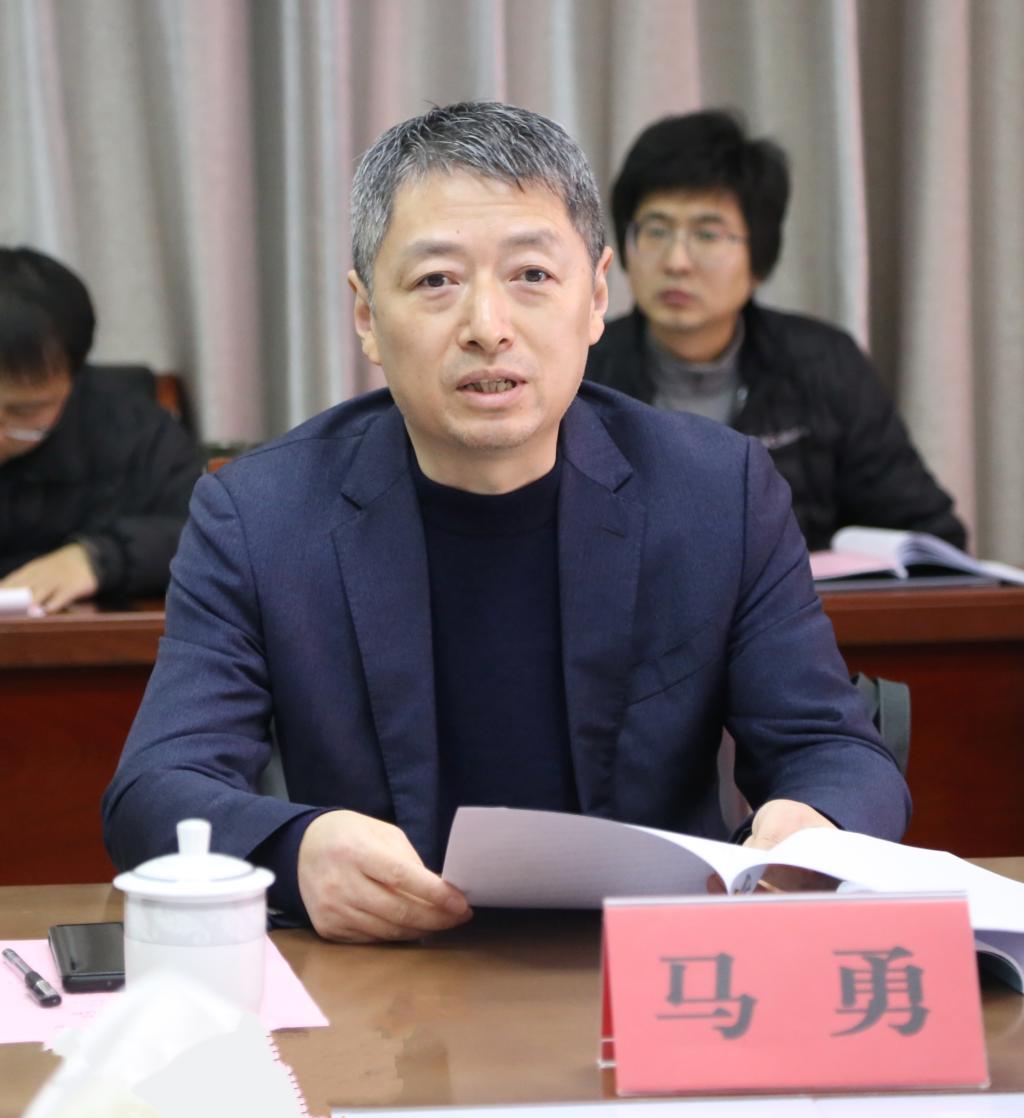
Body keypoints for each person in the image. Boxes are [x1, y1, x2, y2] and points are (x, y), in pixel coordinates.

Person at [102, 102, 910, 945]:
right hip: (386, 975)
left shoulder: (717, 494)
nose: (487, 328)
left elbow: (839, 752)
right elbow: (154, 789)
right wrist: (295, 850)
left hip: (652, 964)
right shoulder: (260, 515)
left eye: (531, 275)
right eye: (436, 281)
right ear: (367, 315)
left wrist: (810, 824)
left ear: (596, 297)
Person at [585, 110, 966, 552]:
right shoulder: (584, 367)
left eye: (707, 235)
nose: (676, 262)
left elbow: (930, 536)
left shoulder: (824, 367)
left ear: (760, 258)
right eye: (655, 230)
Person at [0, 247, 201, 611]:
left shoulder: (132, 429)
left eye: (24, 411)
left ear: (74, 377)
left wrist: (98, 559)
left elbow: (205, 532)